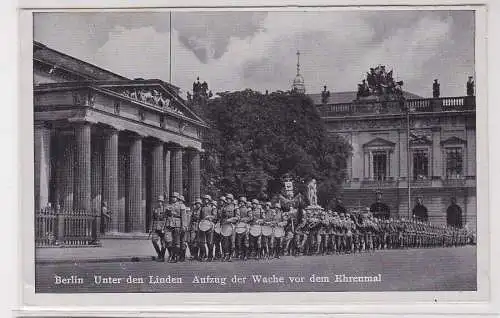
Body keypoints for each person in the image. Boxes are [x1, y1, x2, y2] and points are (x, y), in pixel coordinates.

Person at [151, 196, 167, 262]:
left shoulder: (165, 209)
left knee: (163, 243)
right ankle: (159, 254)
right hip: (155, 226)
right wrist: (150, 228)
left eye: (161, 201)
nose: (159, 203)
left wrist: (164, 228)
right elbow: (152, 219)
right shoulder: (155, 209)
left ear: (163, 202)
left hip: (162, 226)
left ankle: (162, 256)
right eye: (159, 201)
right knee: (154, 241)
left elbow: (166, 219)